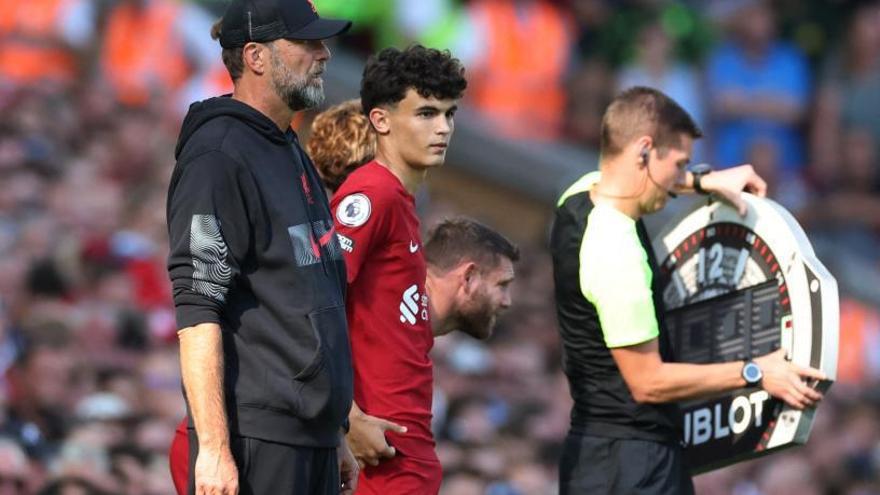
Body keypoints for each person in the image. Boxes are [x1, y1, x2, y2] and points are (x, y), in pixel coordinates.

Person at [550, 86, 827, 494]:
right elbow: (648, 381)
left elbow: (627, 179)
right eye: (679, 163)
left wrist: (706, 180)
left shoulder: (577, 198)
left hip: (598, 456)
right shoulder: (616, 251)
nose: (680, 176)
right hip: (634, 469)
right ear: (644, 151)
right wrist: (756, 371)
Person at [165, 0, 358, 493]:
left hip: (307, 437)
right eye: (308, 42)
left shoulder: (285, 142)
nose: (324, 53)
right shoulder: (218, 155)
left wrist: (332, 429)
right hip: (259, 439)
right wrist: (212, 448)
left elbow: (311, 293)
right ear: (255, 56)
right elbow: (198, 307)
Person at [331, 45, 466, 494]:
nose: (443, 128)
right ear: (381, 120)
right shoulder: (373, 195)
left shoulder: (402, 204)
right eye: (426, 113)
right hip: (378, 445)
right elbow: (309, 301)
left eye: (449, 114)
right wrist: (345, 418)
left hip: (402, 446)